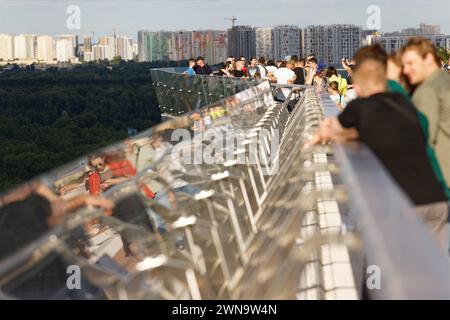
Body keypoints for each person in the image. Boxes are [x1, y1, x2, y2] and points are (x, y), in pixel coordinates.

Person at [305, 44, 449, 251]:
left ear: (359, 89)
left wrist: (321, 134)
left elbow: (333, 129)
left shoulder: (358, 107)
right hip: (436, 198)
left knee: (401, 262)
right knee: (435, 265)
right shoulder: (403, 100)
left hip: (407, 201)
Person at [0, 182, 114, 299]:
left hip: (67, 272)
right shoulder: (13, 211)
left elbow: (55, 210)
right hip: (38, 291)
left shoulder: (33, 199)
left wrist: (80, 201)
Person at [401, 37, 450, 191]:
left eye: (410, 63)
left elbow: (422, 141)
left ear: (428, 58)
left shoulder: (427, 90)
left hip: (441, 183)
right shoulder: (445, 81)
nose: (406, 70)